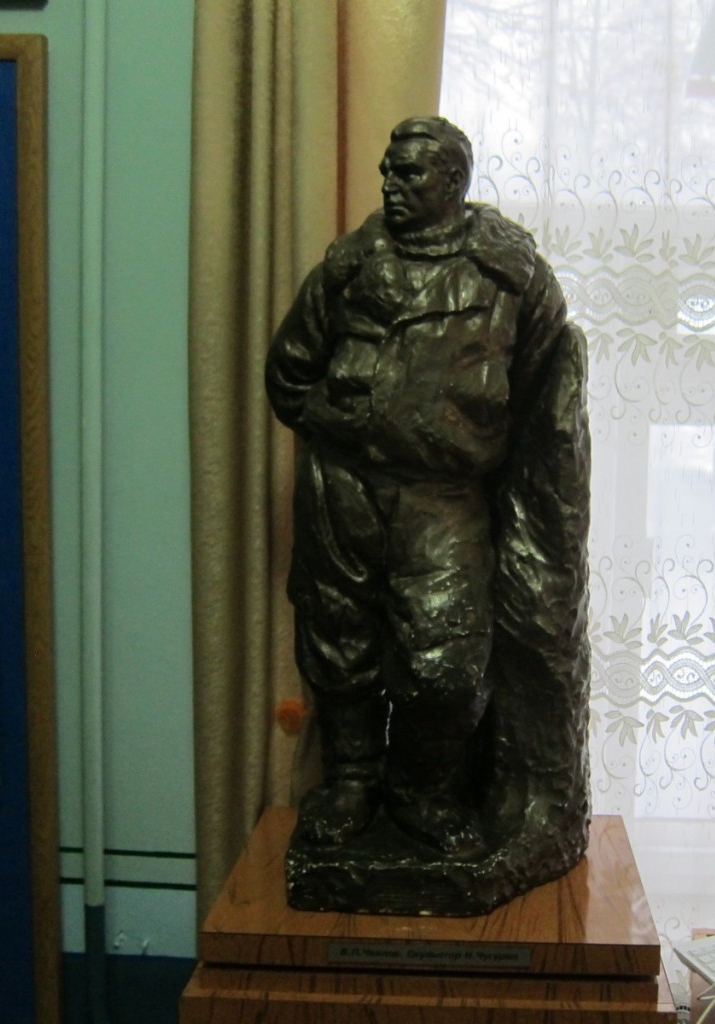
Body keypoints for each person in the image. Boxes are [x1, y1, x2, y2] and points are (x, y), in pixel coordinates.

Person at [267, 117, 590, 866]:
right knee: (339, 645)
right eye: (388, 170)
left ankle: (422, 794)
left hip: (442, 499)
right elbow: (288, 372)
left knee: (446, 666)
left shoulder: (509, 274)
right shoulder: (349, 266)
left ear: (453, 182)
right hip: (343, 488)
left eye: (409, 173)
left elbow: (542, 376)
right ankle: (352, 784)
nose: (390, 184)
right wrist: (342, 420)